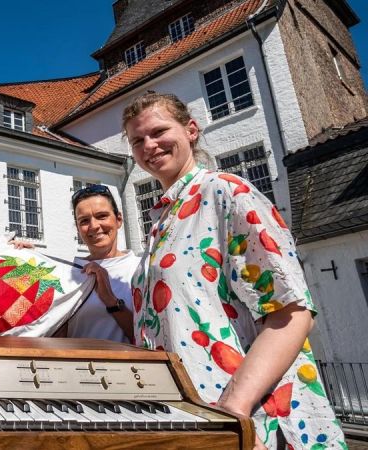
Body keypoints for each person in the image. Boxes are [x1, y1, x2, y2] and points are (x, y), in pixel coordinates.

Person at [123, 92, 345, 449]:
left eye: (158, 131)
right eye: (137, 140)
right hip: (194, 424)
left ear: (191, 130)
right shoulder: (160, 222)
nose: (149, 145)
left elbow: (292, 313)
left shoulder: (226, 192)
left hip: (251, 424)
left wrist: (233, 412)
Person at [65, 185, 135, 343]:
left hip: (129, 366)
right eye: (84, 220)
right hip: (77, 366)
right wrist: (23, 258)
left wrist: (110, 300)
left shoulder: (140, 268)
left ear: (118, 220)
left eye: (102, 216)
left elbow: (150, 337)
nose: (94, 226)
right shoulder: (68, 274)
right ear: (78, 228)